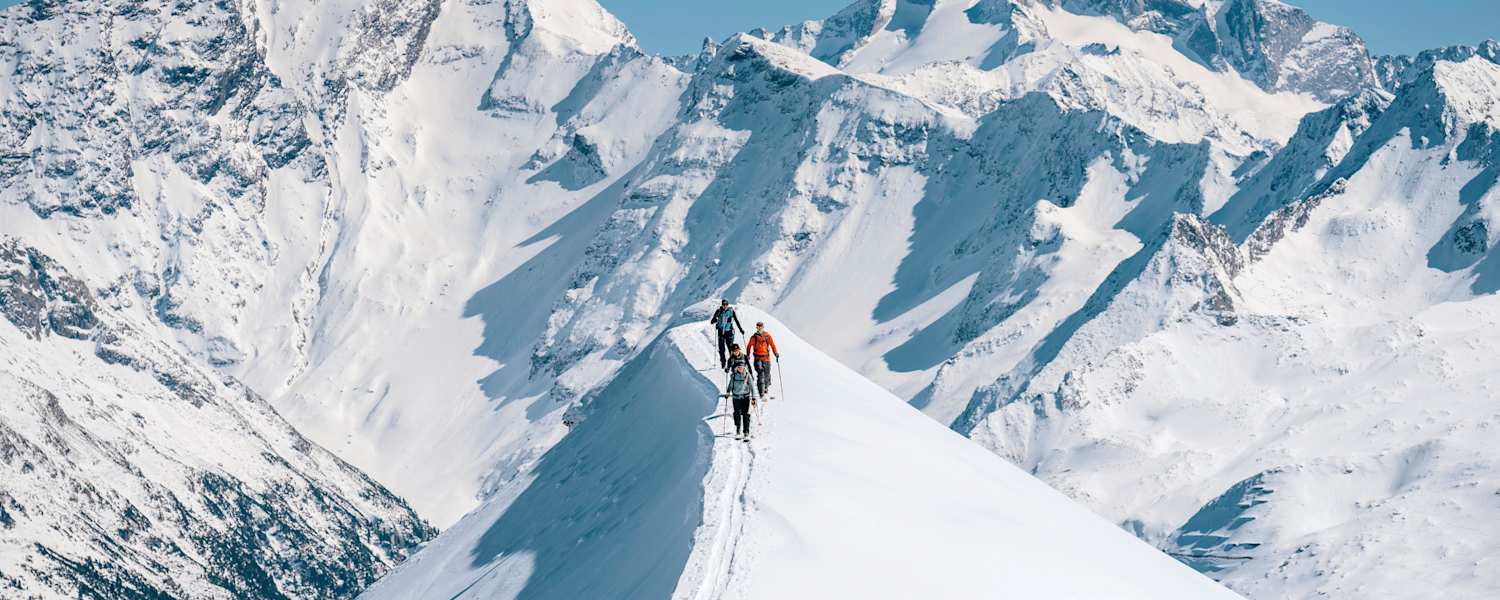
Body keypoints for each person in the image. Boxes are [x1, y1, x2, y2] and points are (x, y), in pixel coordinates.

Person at [746, 321, 779, 398]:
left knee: (767, 374)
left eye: (760, 326)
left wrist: (775, 353)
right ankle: (761, 392)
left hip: (766, 358)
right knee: (760, 373)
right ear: (756, 327)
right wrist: (748, 354)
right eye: (758, 327)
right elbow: (749, 346)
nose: (759, 328)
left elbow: (772, 345)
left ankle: (766, 387)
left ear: (763, 327)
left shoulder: (767, 336)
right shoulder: (753, 337)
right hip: (757, 358)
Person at [709, 299, 745, 370]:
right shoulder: (718, 311)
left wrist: (740, 329)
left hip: (729, 332)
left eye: (726, 304)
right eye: (723, 304)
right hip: (721, 333)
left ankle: (732, 363)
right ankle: (723, 363)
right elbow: (712, 321)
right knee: (721, 349)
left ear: (728, 305)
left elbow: (736, 320)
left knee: (731, 349)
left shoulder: (731, 311)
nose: (725, 306)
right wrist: (716, 320)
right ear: (721, 305)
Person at [727, 363, 756, 439]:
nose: (740, 368)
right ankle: (738, 430)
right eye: (739, 367)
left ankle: (746, 432)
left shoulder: (747, 375)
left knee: (745, 414)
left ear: (744, 367)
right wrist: (728, 392)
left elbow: (752, 387)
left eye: (742, 367)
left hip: (745, 397)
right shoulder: (734, 375)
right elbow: (730, 385)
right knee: (737, 414)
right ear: (737, 368)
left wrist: (753, 398)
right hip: (736, 398)